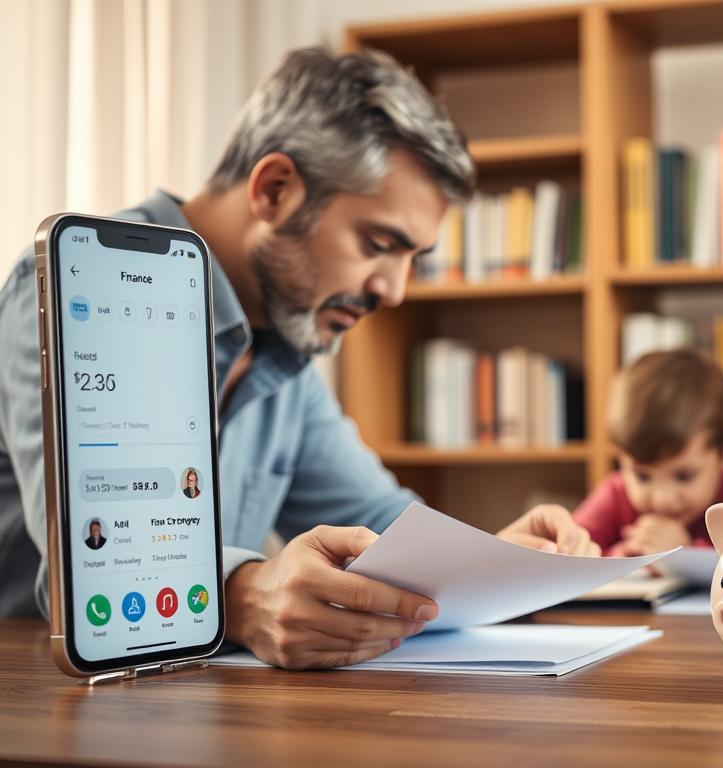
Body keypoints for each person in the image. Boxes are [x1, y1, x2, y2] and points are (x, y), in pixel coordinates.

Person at [0, 47, 598, 669]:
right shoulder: (79, 288)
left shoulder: (284, 350)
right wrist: (242, 594)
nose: (392, 291)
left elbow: (378, 523)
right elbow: (92, 562)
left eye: (412, 259)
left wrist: (492, 563)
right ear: (275, 189)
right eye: (378, 244)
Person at [570, 350, 723, 556]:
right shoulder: (614, 495)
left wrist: (685, 554)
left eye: (683, 476)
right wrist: (621, 559)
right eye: (642, 476)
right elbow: (569, 555)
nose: (661, 499)